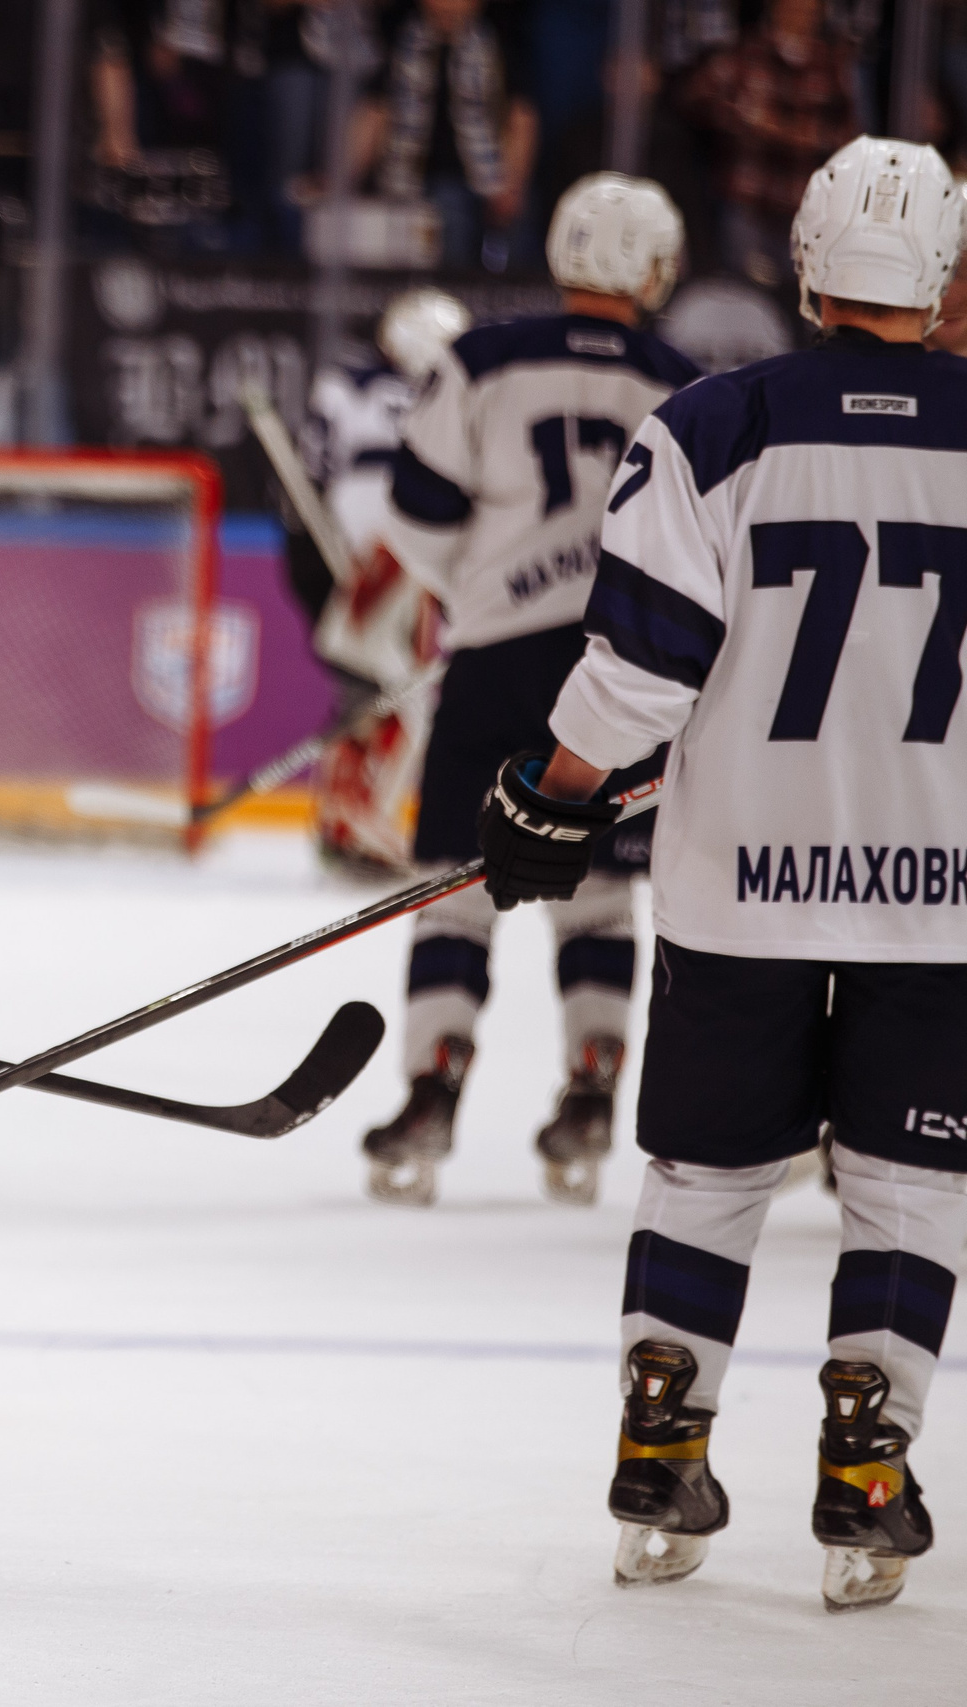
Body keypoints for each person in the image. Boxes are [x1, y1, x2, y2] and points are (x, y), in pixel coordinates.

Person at [479, 136, 967, 1610]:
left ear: (807, 260)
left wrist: (549, 798)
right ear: (944, 277)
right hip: (942, 901)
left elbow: (637, 672)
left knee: (706, 1174)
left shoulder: (713, 422)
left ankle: (659, 1442)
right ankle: (866, 1471)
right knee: (907, 1186)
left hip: (735, 883)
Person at [362, 173, 700, 1209]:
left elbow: (415, 516)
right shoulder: (684, 385)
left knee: (454, 887)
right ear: (650, 266)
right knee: (597, 893)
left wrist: (482, 589)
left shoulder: (482, 358)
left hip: (495, 655)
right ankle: (593, 1089)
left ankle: (431, 1088)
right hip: (618, 668)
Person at [302, 287, 467, 875]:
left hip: (359, 548)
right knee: (403, 700)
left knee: (369, 691)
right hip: (407, 548)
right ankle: (358, 822)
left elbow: (313, 469)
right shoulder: (452, 396)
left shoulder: (342, 386)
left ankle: (342, 820)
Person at [678, 0, 856, 293]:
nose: (801, 11)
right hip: (748, 201)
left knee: (798, 302)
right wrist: (742, 117)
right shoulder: (746, 52)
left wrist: (793, 132)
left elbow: (850, 137)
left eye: (809, 7)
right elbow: (694, 97)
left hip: (806, 208)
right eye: (793, 5)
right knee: (742, 294)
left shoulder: (833, 63)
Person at [349, 0, 539, 272]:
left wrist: (512, 183)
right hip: (410, 182)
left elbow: (521, 119)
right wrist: (343, 177)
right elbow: (374, 114)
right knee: (447, 205)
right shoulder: (400, 45)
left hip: (487, 178)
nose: (448, 6)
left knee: (516, 218)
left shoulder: (498, 48)